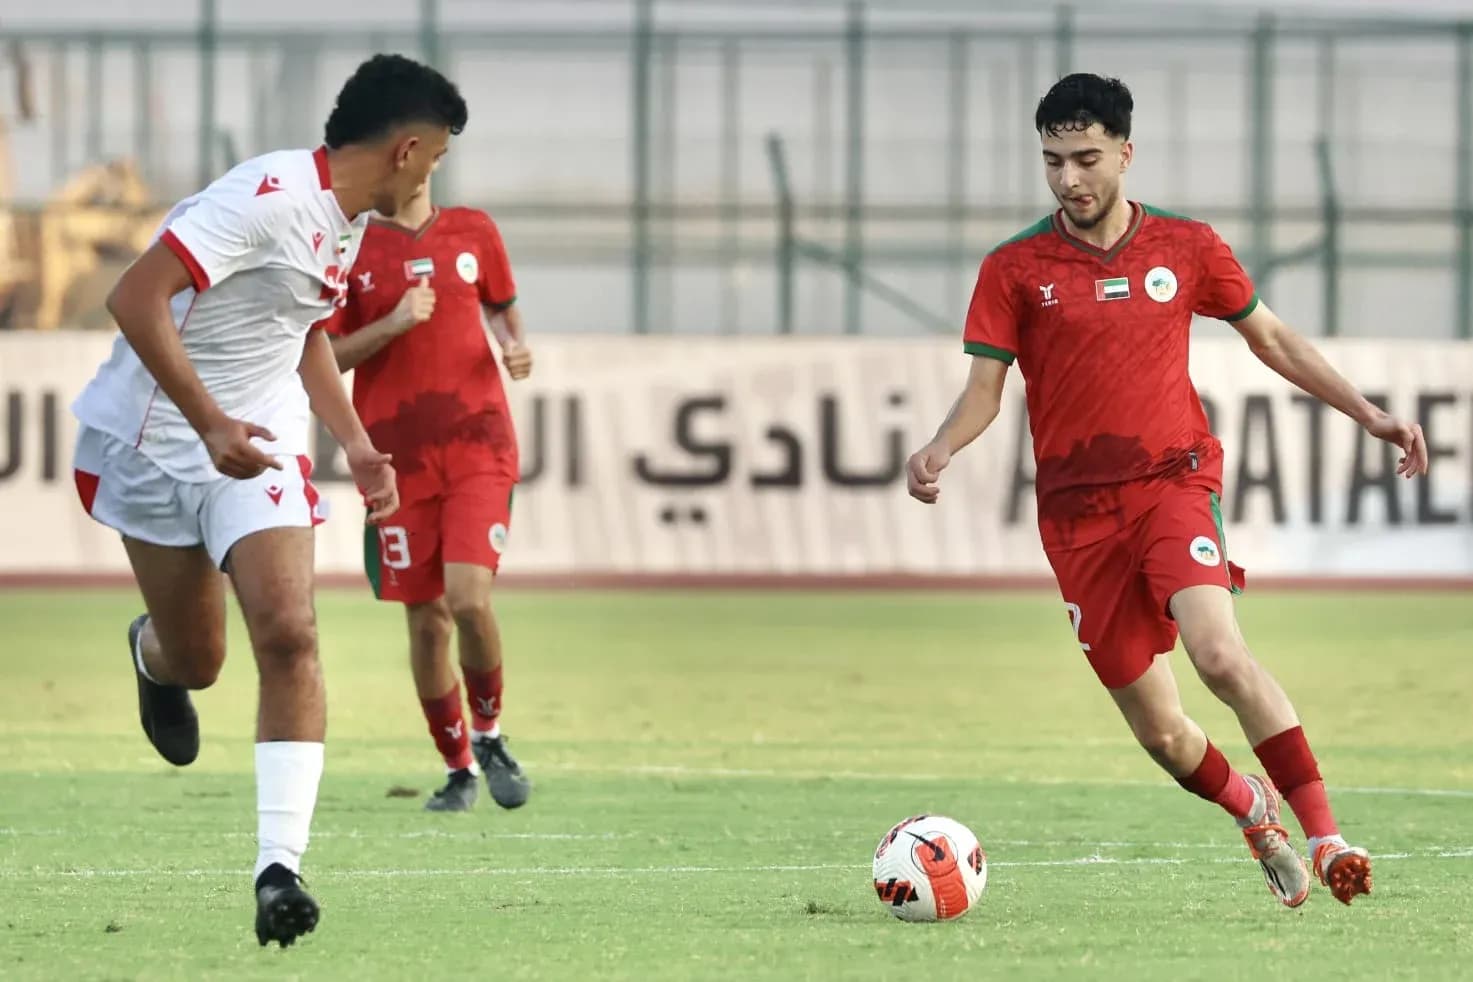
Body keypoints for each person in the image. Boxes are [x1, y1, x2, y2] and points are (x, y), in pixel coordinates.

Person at [907, 73, 1429, 908]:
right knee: (1160, 732)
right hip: (1077, 516)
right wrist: (940, 446)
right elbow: (983, 392)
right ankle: (1249, 807)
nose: (1068, 178)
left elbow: (1272, 339)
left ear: (1124, 153)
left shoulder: (1185, 247)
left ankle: (1326, 835)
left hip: (1172, 482)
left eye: (1085, 158)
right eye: (1052, 161)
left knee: (1217, 653)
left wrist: (1367, 413)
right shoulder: (1013, 268)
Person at [69, 53, 468, 946]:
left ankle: (278, 869)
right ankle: (153, 656)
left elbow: (302, 330)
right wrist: (208, 421)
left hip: (259, 441)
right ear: (406, 150)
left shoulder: (343, 220)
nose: (431, 179)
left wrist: (354, 444)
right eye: (437, 157)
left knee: (289, 633)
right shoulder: (267, 200)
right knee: (198, 660)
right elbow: (134, 297)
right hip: (155, 445)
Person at [322, 176, 533, 814]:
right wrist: (392, 323)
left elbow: (501, 305)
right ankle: (458, 767)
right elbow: (327, 356)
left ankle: (489, 734)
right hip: (397, 461)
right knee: (427, 619)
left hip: (478, 446)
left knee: (468, 599)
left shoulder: (474, 230)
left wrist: (513, 345)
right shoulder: (348, 248)